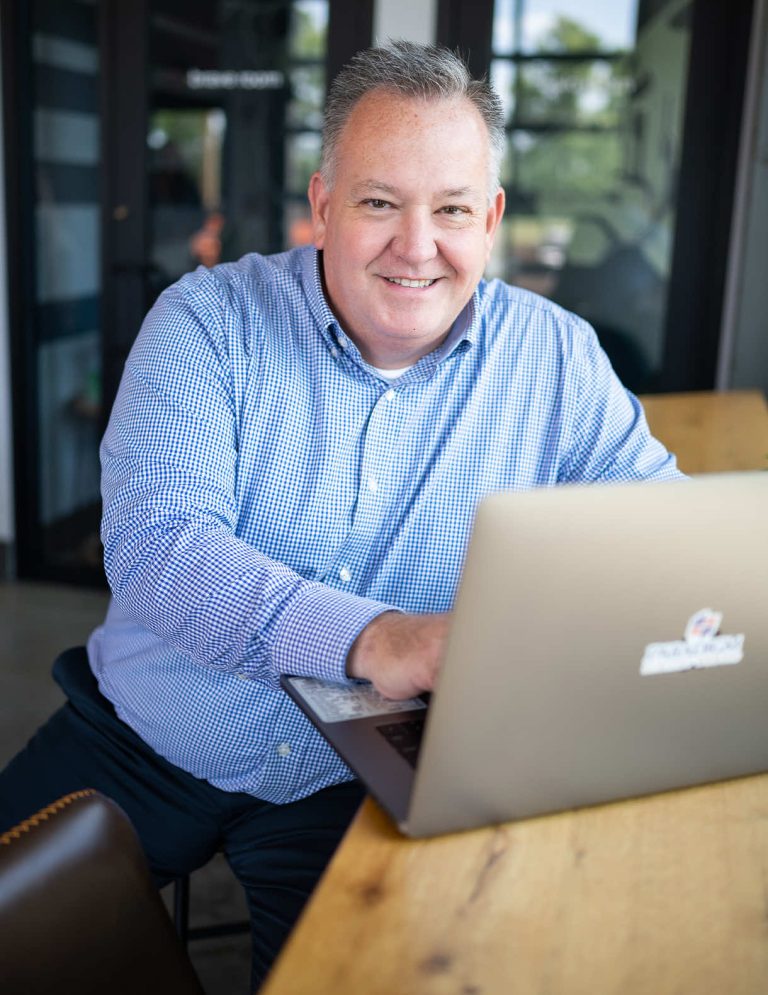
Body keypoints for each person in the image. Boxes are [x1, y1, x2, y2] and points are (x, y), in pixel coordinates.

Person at [0, 40, 682, 989]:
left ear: (488, 220)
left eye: (450, 209)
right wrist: (378, 637)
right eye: (378, 202)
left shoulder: (558, 357)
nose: (417, 244)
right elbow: (160, 550)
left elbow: (661, 529)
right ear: (322, 206)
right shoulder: (205, 322)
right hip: (152, 727)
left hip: (357, 773)